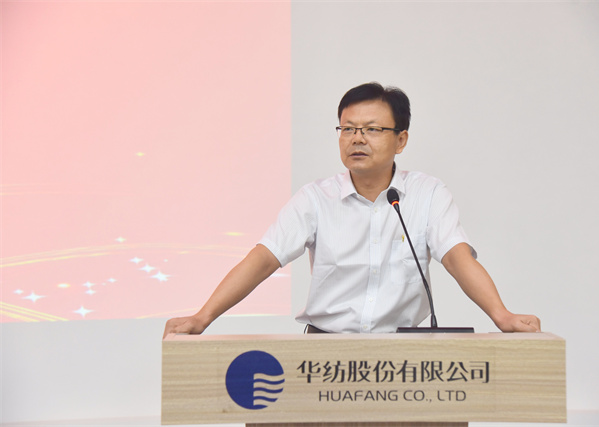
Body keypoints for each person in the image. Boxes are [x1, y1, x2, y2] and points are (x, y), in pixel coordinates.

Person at [163, 82, 540, 337]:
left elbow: (457, 258)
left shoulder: (427, 194)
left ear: (401, 140)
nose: (357, 139)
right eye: (347, 129)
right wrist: (202, 317)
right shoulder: (316, 199)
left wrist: (501, 315)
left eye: (372, 129)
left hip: (403, 358)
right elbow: (263, 259)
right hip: (325, 353)